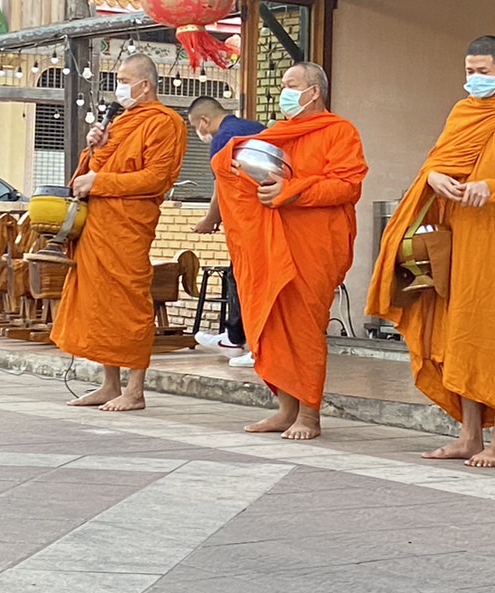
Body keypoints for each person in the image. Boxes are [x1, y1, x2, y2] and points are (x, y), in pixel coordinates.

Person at [368, 36, 495, 469]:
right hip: (455, 238)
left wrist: (493, 187)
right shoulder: (461, 112)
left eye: (483, 72)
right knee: (458, 333)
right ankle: (469, 435)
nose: (474, 79)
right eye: (469, 71)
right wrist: (432, 177)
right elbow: (437, 161)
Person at [212, 62, 367, 440]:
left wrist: (292, 191)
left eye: (291, 85)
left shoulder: (339, 131)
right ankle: (285, 410)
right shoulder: (276, 134)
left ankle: (309, 415)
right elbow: (234, 169)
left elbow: (347, 186)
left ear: (313, 92)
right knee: (272, 325)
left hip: (315, 245)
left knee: (305, 329)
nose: (283, 92)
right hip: (274, 246)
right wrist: (234, 161)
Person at [51, 52, 186, 413]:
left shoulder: (165, 122)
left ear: (145, 85)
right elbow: (90, 173)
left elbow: (156, 178)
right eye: (118, 81)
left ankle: (135, 389)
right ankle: (109, 384)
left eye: (125, 81)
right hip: (97, 225)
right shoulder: (120, 122)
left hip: (127, 226)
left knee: (129, 303)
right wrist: (94, 148)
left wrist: (100, 181)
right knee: (99, 304)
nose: (119, 88)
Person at [188, 95, 264, 367]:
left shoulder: (223, 138)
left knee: (246, 280)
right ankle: (238, 338)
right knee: (245, 277)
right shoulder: (257, 127)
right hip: (272, 214)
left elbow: (223, 187)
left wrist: (210, 219)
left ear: (204, 120)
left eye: (196, 127)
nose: (200, 133)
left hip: (248, 221)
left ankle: (247, 342)